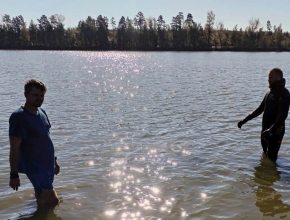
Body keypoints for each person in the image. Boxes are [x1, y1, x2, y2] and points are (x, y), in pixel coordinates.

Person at [9, 79, 60, 207]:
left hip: (48, 165)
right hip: (35, 168)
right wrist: (14, 174)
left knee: (41, 198)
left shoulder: (41, 112)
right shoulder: (19, 117)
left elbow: (46, 138)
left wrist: (54, 161)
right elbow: (14, 147)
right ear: (26, 95)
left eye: (42, 96)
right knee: (54, 202)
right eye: (35, 95)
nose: (39, 99)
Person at [237, 68, 290, 161]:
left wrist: (271, 130)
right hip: (265, 130)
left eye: (271, 77)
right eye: (268, 77)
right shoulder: (269, 93)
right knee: (265, 155)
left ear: (278, 77)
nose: (268, 79)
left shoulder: (284, 94)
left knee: (272, 158)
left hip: (276, 131)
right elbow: (260, 109)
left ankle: (276, 174)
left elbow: (283, 115)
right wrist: (244, 120)